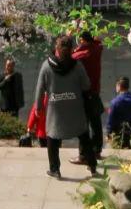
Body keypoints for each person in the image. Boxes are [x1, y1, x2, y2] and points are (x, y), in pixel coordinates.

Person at [34, 33, 96, 178]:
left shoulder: (46, 67)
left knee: (53, 138)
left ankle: (55, 169)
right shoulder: (77, 66)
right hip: (75, 108)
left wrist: (38, 108)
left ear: (57, 48)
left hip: (56, 110)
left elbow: (39, 89)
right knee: (84, 136)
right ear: (71, 49)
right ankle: (92, 165)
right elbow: (86, 85)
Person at [73, 29, 104, 162]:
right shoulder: (97, 49)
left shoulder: (83, 54)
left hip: (85, 94)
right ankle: (97, 150)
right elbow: (98, 42)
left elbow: (66, 56)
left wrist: (76, 47)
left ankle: (84, 155)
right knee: (96, 123)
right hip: (95, 92)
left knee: (83, 125)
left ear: (82, 40)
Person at [106, 77, 131, 147]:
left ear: (119, 86)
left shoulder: (115, 102)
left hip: (118, 135)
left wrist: (108, 134)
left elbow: (111, 120)